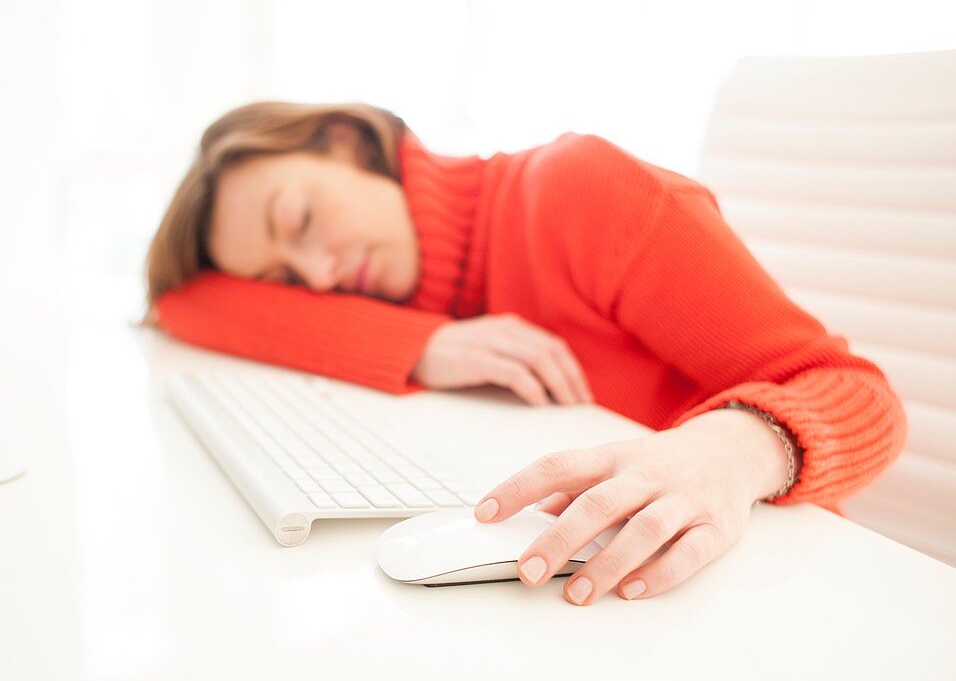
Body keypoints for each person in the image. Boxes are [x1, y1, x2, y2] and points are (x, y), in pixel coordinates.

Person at [144, 101, 907, 605]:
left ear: (349, 141)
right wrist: (425, 343)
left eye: (301, 218)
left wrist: (732, 449)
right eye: (282, 279)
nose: (315, 275)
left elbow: (857, 393)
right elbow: (183, 302)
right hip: (606, 595)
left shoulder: (579, 191)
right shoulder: (389, 291)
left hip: (769, 573)